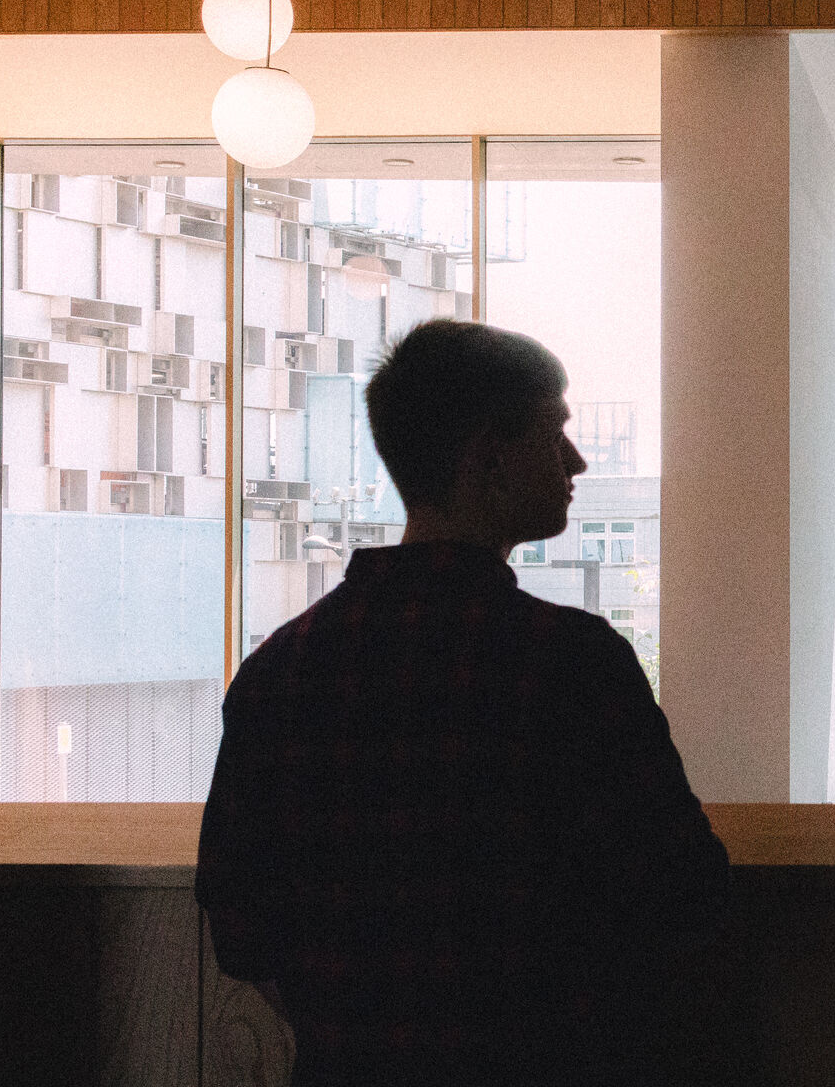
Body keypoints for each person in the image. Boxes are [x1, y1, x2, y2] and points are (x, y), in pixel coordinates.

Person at [196, 320, 730, 1087]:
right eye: (555, 434)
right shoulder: (574, 666)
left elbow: (242, 929)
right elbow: (684, 894)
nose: (577, 461)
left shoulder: (277, 674)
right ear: (491, 460)